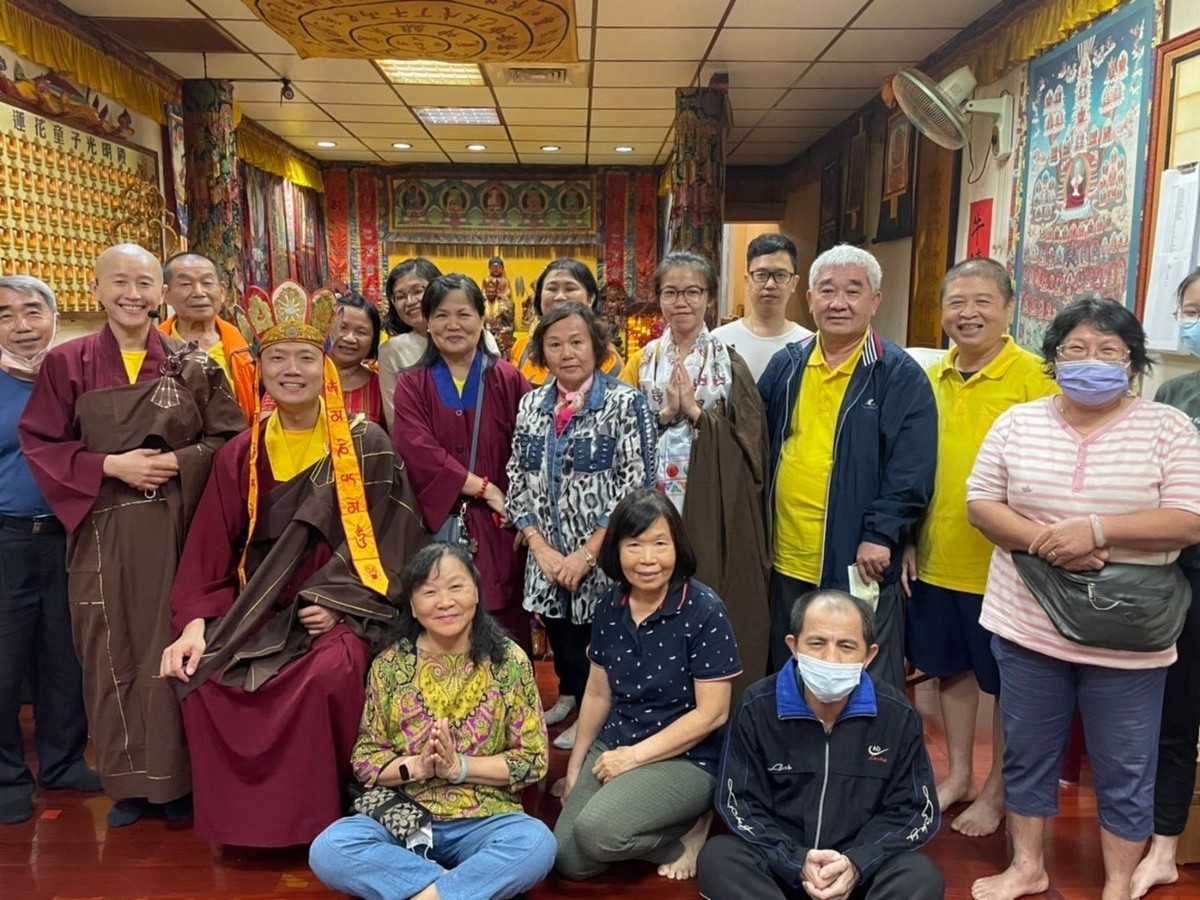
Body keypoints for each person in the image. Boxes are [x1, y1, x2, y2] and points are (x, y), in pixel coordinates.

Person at [161, 280, 427, 848]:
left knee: (330, 673)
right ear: (259, 369)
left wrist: (338, 604)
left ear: (324, 365)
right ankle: (245, 823)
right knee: (204, 676)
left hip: (342, 608)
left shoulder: (367, 443)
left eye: (305, 357)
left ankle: (331, 815)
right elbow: (210, 551)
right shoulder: (241, 452)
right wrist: (194, 626)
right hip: (258, 606)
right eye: (276, 358)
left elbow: (393, 541)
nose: (291, 370)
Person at [966, 297, 1200, 900]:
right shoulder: (1017, 423)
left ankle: (1118, 883)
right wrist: (1048, 543)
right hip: (1027, 620)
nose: (1090, 360)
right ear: (1054, 357)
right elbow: (981, 503)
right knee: (1027, 754)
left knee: (1126, 765)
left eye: (1108, 350)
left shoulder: (1168, 428)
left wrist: (1096, 532)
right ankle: (1027, 867)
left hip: (1131, 635)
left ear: (1132, 363)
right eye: (1075, 348)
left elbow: (1188, 519)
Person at [18, 244, 246, 826]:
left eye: (144, 283)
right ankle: (130, 785)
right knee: (109, 650)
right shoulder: (66, 364)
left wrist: (179, 462)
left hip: (177, 529)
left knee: (178, 644)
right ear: (96, 290)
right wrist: (109, 465)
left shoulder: (192, 363)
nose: (132, 294)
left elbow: (232, 440)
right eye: (119, 282)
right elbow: (42, 443)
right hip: (102, 531)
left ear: (161, 293)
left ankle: (182, 781)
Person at [901, 258, 1057, 838]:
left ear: (1008, 308)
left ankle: (998, 789)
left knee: (1008, 685)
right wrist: (907, 537)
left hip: (1009, 566)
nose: (968, 314)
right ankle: (961, 775)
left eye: (982, 302)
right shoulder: (927, 377)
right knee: (949, 671)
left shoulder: (1038, 378)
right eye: (956, 303)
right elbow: (910, 467)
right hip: (938, 556)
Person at [308, 544, 555, 900]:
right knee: (330, 849)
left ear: (476, 592)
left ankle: (423, 891)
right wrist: (417, 767)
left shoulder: (510, 662)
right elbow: (365, 759)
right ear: (412, 604)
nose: (445, 602)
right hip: (405, 816)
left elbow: (533, 760)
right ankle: (456, 888)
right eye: (429, 592)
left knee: (536, 844)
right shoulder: (390, 665)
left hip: (486, 817)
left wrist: (458, 768)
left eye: (456, 587)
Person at [759, 243, 936, 693]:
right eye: (827, 290)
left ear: (875, 300)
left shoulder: (896, 373)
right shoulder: (787, 365)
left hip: (858, 556)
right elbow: (757, 444)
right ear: (809, 299)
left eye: (853, 291)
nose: (839, 302)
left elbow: (911, 468)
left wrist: (882, 533)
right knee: (792, 665)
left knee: (860, 671)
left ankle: (862, 742)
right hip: (787, 552)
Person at [697, 589, 943, 900]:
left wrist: (856, 863)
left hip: (860, 875)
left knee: (921, 875)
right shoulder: (757, 707)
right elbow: (739, 802)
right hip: (780, 871)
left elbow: (914, 810)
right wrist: (795, 861)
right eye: (817, 643)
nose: (830, 659)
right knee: (719, 857)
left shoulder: (897, 715)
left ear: (869, 655)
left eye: (846, 646)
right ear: (793, 646)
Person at [554, 488, 741, 882]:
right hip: (617, 742)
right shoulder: (610, 604)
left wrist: (634, 758)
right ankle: (653, 832)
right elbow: (597, 692)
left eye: (660, 544)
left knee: (596, 832)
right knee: (568, 858)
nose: (648, 558)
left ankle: (688, 832)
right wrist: (575, 763)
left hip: (687, 757)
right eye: (634, 545)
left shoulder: (704, 609)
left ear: (678, 546)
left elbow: (713, 714)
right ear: (616, 550)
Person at [506, 301, 657, 749]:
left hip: (601, 557)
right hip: (547, 554)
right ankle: (569, 695)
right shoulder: (531, 404)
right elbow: (516, 477)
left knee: (599, 636)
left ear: (597, 345)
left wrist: (588, 554)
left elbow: (637, 484)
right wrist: (539, 547)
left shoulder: (624, 402)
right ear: (541, 352)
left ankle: (598, 716)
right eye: (554, 344)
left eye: (577, 342)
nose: (567, 353)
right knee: (560, 631)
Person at [622, 250, 770, 698]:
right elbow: (622, 433)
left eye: (692, 292)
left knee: (705, 596)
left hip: (711, 501)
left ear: (708, 297)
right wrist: (665, 415)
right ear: (659, 298)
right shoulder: (643, 360)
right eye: (671, 292)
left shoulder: (730, 361)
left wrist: (698, 415)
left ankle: (710, 699)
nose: (681, 302)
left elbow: (752, 445)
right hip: (654, 499)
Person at [0, 275, 99, 825]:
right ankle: (7, 776)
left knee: (66, 655)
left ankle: (63, 763)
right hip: (7, 538)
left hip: (69, 536)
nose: (21, 325)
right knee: (5, 663)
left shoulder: (74, 379)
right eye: (5, 315)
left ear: (55, 319)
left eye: (33, 311)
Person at [393, 274, 533, 653]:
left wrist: (519, 504)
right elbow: (417, 449)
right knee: (442, 615)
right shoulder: (413, 384)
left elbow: (532, 447)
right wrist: (484, 488)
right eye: (441, 315)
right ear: (427, 322)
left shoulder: (507, 379)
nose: (453, 325)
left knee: (504, 630)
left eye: (464, 314)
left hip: (499, 527)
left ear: (481, 319)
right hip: (439, 524)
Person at [1133, 268, 1200, 899]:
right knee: (1175, 720)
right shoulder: (1176, 393)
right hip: (1184, 582)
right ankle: (1164, 847)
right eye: (1192, 310)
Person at [378, 259, 499, 430]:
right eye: (400, 296)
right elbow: (396, 421)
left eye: (417, 291)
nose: (410, 301)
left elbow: (498, 400)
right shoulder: (391, 351)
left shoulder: (480, 337)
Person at [158, 251, 258, 422]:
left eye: (207, 283)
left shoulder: (247, 347)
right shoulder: (154, 346)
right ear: (165, 294)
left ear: (222, 291)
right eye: (185, 284)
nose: (199, 292)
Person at [711, 233, 812, 382]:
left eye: (781, 275)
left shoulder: (808, 343)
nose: (770, 284)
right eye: (761, 275)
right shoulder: (720, 340)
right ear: (747, 281)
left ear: (794, 283)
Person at [510, 258, 623, 386]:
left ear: (590, 299)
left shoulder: (607, 358)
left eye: (570, 289)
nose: (560, 297)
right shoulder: (521, 348)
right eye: (552, 289)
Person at [330, 292, 385, 428]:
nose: (349, 338)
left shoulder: (382, 387)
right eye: (342, 327)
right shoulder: (303, 377)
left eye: (361, 332)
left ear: (373, 340)